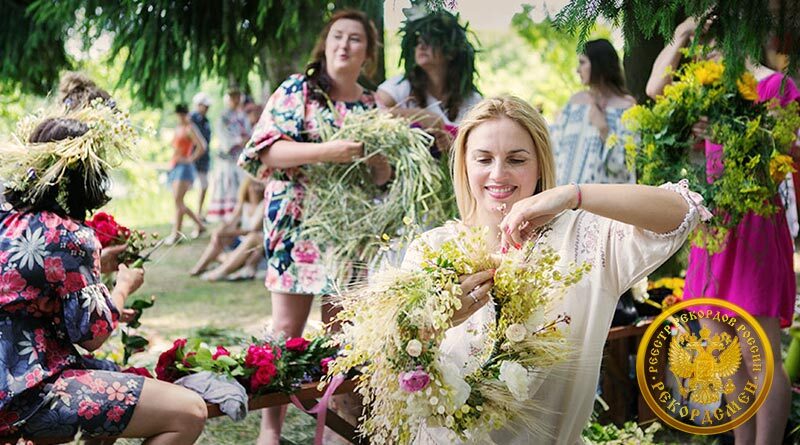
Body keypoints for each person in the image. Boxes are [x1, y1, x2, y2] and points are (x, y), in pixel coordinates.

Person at [400, 96, 705, 444]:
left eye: (516, 159)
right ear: (464, 166)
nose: (498, 174)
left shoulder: (581, 239)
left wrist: (574, 195)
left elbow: (682, 211)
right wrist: (436, 322)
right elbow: (398, 361)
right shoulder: (431, 250)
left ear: (541, 165)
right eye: (484, 159)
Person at [0, 111, 207, 442]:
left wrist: (96, 266)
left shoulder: (7, 218)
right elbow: (92, 335)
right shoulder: (71, 236)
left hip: (11, 376)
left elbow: (29, 281)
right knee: (189, 412)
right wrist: (123, 287)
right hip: (25, 394)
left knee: (115, 385)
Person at [238, 9, 390, 444]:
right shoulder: (298, 91)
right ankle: (271, 433)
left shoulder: (373, 104)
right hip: (296, 224)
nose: (344, 45)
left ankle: (341, 429)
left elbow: (384, 178)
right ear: (324, 45)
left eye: (355, 39)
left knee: (344, 333)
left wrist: (379, 164)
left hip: (350, 230)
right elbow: (267, 154)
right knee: (286, 334)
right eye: (337, 36)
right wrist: (330, 151)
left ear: (368, 53)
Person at [647, 17, 796, 445]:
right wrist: (680, 36)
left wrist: (727, 132)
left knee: (758, 351)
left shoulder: (774, 86)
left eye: (708, 44)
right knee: (720, 351)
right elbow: (655, 90)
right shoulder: (707, 87)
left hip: (754, 226)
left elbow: (782, 150)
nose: (702, 55)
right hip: (713, 226)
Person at [376, 9, 481, 153]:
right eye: (418, 42)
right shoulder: (399, 86)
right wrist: (421, 115)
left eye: (430, 42)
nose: (421, 47)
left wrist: (454, 149)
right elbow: (373, 114)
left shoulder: (471, 100)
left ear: (451, 52)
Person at [550, 39, 636, 185]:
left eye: (582, 62)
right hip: (564, 200)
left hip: (604, 203)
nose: (578, 69)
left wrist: (604, 129)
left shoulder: (627, 107)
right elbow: (553, 150)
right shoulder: (573, 104)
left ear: (599, 64)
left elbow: (625, 166)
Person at [189, 177, 265, 280]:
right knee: (221, 237)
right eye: (254, 185)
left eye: (259, 185)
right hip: (242, 241)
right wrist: (221, 230)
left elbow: (253, 230)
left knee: (248, 237)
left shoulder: (264, 204)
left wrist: (228, 233)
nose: (257, 188)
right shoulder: (243, 204)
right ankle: (201, 267)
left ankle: (221, 269)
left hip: (256, 244)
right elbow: (231, 222)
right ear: (247, 187)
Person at [167, 104, 207, 245]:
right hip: (175, 166)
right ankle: (200, 225)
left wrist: (190, 159)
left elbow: (202, 145)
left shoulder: (190, 128)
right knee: (178, 202)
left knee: (178, 201)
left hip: (185, 167)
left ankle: (176, 234)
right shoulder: (178, 128)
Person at [208, 87, 249, 223]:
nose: (235, 100)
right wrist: (237, 140)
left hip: (239, 158)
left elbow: (247, 132)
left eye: (237, 97)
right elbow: (224, 139)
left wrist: (245, 140)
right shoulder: (223, 116)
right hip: (227, 160)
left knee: (240, 189)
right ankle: (228, 220)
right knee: (227, 188)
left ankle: (239, 219)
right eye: (233, 98)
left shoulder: (242, 115)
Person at [190, 92, 213, 227]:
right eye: (204, 106)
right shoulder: (192, 119)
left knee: (204, 186)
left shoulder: (206, 121)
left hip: (203, 159)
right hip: (193, 158)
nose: (206, 108)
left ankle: (199, 213)